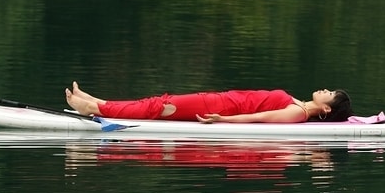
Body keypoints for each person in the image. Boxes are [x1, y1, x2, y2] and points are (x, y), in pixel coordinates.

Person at [65, 81, 353, 123]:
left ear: (327, 108)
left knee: (160, 106)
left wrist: (222, 120)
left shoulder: (297, 113)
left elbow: (259, 118)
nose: (324, 89)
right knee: (160, 101)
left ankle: (95, 108)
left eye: (329, 94)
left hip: (221, 109)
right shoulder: (298, 103)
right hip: (221, 99)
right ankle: (100, 102)